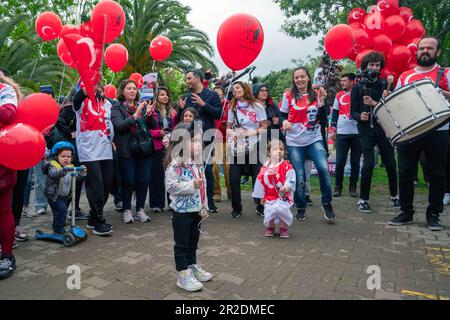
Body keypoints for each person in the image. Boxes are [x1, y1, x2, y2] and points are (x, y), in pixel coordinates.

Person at [389, 36, 450, 231]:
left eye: (429, 48)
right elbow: (397, 103)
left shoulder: (446, 73)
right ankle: (406, 212)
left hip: (438, 130)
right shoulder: (405, 75)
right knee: (405, 172)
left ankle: (434, 213)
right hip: (411, 131)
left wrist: (445, 94)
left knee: (437, 173)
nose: (425, 51)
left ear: (437, 52)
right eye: (421, 48)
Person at [280, 67, 336, 223]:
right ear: (294, 80)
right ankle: (301, 207)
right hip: (294, 142)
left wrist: (323, 102)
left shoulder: (316, 94)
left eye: (302, 76)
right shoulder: (288, 95)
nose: (299, 80)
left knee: (324, 168)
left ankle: (327, 204)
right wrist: (284, 121)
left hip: (314, 138)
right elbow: (281, 114)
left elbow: (324, 116)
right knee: (300, 176)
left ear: (308, 78)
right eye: (296, 77)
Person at [350, 51, 399, 213]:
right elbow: (353, 112)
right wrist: (360, 116)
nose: (374, 68)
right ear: (365, 66)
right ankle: (363, 200)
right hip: (365, 131)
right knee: (369, 163)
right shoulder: (357, 87)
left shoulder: (384, 85)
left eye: (377, 65)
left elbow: (390, 108)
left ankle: (395, 196)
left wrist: (374, 103)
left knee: (391, 163)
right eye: (371, 65)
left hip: (383, 129)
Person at [166, 123, 212, 292]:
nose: (200, 145)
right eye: (195, 141)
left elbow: (204, 187)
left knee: (193, 242)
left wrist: (204, 206)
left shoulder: (198, 163)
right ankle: (182, 274)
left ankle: (192, 266)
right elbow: (171, 187)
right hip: (182, 212)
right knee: (182, 244)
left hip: (196, 210)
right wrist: (191, 184)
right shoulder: (176, 164)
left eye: (201, 141)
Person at [73, 81, 114, 236]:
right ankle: (98, 221)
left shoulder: (107, 104)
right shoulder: (80, 104)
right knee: (95, 186)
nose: (97, 88)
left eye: (99, 86)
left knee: (106, 185)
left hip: (106, 149)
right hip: (89, 151)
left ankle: (92, 216)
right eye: (94, 86)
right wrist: (86, 89)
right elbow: (77, 99)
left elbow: (111, 124)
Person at [178, 69, 222, 213]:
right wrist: (181, 109)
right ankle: (192, 201)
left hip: (207, 138)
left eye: (189, 78)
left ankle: (209, 202)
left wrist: (203, 104)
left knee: (207, 169)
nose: (187, 81)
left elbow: (219, 114)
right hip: (189, 139)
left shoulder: (212, 95)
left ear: (197, 78)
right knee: (190, 170)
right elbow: (182, 118)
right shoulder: (187, 96)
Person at [111, 80, 152, 224]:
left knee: (143, 179)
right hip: (126, 150)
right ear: (122, 91)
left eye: (134, 88)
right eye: (129, 88)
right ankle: (127, 209)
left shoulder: (143, 106)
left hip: (143, 149)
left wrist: (149, 115)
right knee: (128, 180)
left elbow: (150, 127)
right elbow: (119, 126)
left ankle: (140, 209)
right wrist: (135, 115)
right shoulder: (116, 107)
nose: (132, 91)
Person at [227, 81, 268, 218]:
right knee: (233, 178)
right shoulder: (232, 107)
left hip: (255, 145)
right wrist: (234, 134)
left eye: (237, 87)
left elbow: (264, 128)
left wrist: (249, 133)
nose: (235, 91)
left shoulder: (257, 106)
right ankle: (236, 207)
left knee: (259, 177)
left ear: (244, 89)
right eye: (233, 90)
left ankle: (261, 206)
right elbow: (228, 128)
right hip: (238, 147)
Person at [0, 68, 21, 280]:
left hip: (2, 160)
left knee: (3, 209)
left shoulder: (5, 90)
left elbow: (8, 115)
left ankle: (6, 255)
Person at [252, 139, 295, 238]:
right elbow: (260, 181)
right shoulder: (265, 167)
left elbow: (291, 177)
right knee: (269, 211)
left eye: (281, 149)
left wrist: (287, 186)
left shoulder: (287, 166)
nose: (279, 151)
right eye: (275, 149)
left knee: (283, 211)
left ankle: (283, 228)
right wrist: (261, 196)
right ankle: (270, 228)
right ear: (268, 152)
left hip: (282, 195)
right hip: (269, 195)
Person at [42, 142, 87, 234]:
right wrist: (63, 170)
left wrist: (82, 172)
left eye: (68, 157)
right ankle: (58, 230)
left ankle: (56, 225)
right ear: (56, 157)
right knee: (62, 210)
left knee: (60, 213)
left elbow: (75, 178)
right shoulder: (52, 166)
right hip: (54, 196)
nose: (66, 158)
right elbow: (54, 174)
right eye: (63, 156)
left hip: (65, 195)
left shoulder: (71, 167)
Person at [329, 73, 361, 198]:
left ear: (352, 82)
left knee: (355, 161)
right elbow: (335, 113)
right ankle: (338, 187)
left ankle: (353, 187)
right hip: (342, 133)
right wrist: (333, 129)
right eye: (341, 80)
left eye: (344, 81)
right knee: (340, 161)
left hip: (357, 133)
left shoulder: (359, 94)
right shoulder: (339, 95)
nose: (342, 83)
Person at [148, 87, 178, 213]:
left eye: (166, 95)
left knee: (172, 174)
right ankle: (157, 203)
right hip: (157, 146)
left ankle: (173, 202)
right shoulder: (151, 111)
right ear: (156, 97)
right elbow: (146, 129)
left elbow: (178, 126)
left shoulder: (173, 111)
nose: (165, 97)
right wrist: (157, 133)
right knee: (157, 175)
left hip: (171, 146)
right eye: (162, 95)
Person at [212, 86, 231, 202]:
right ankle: (217, 191)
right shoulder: (211, 105)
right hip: (216, 140)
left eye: (219, 91)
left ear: (223, 94)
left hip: (227, 139)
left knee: (228, 167)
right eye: (215, 92)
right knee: (215, 166)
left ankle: (230, 190)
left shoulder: (229, 105)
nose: (217, 93)